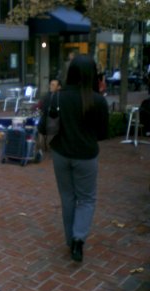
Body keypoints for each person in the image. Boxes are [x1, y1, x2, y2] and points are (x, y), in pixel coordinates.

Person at [38, 55, 109, 262]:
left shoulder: (56, 97)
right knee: (86, 198)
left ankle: (71, 241)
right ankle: (79, 239)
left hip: (61, 154)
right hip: (86, 155)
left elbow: (43, 127)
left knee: (68, 197)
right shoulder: (97, 100)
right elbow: (103, 134)